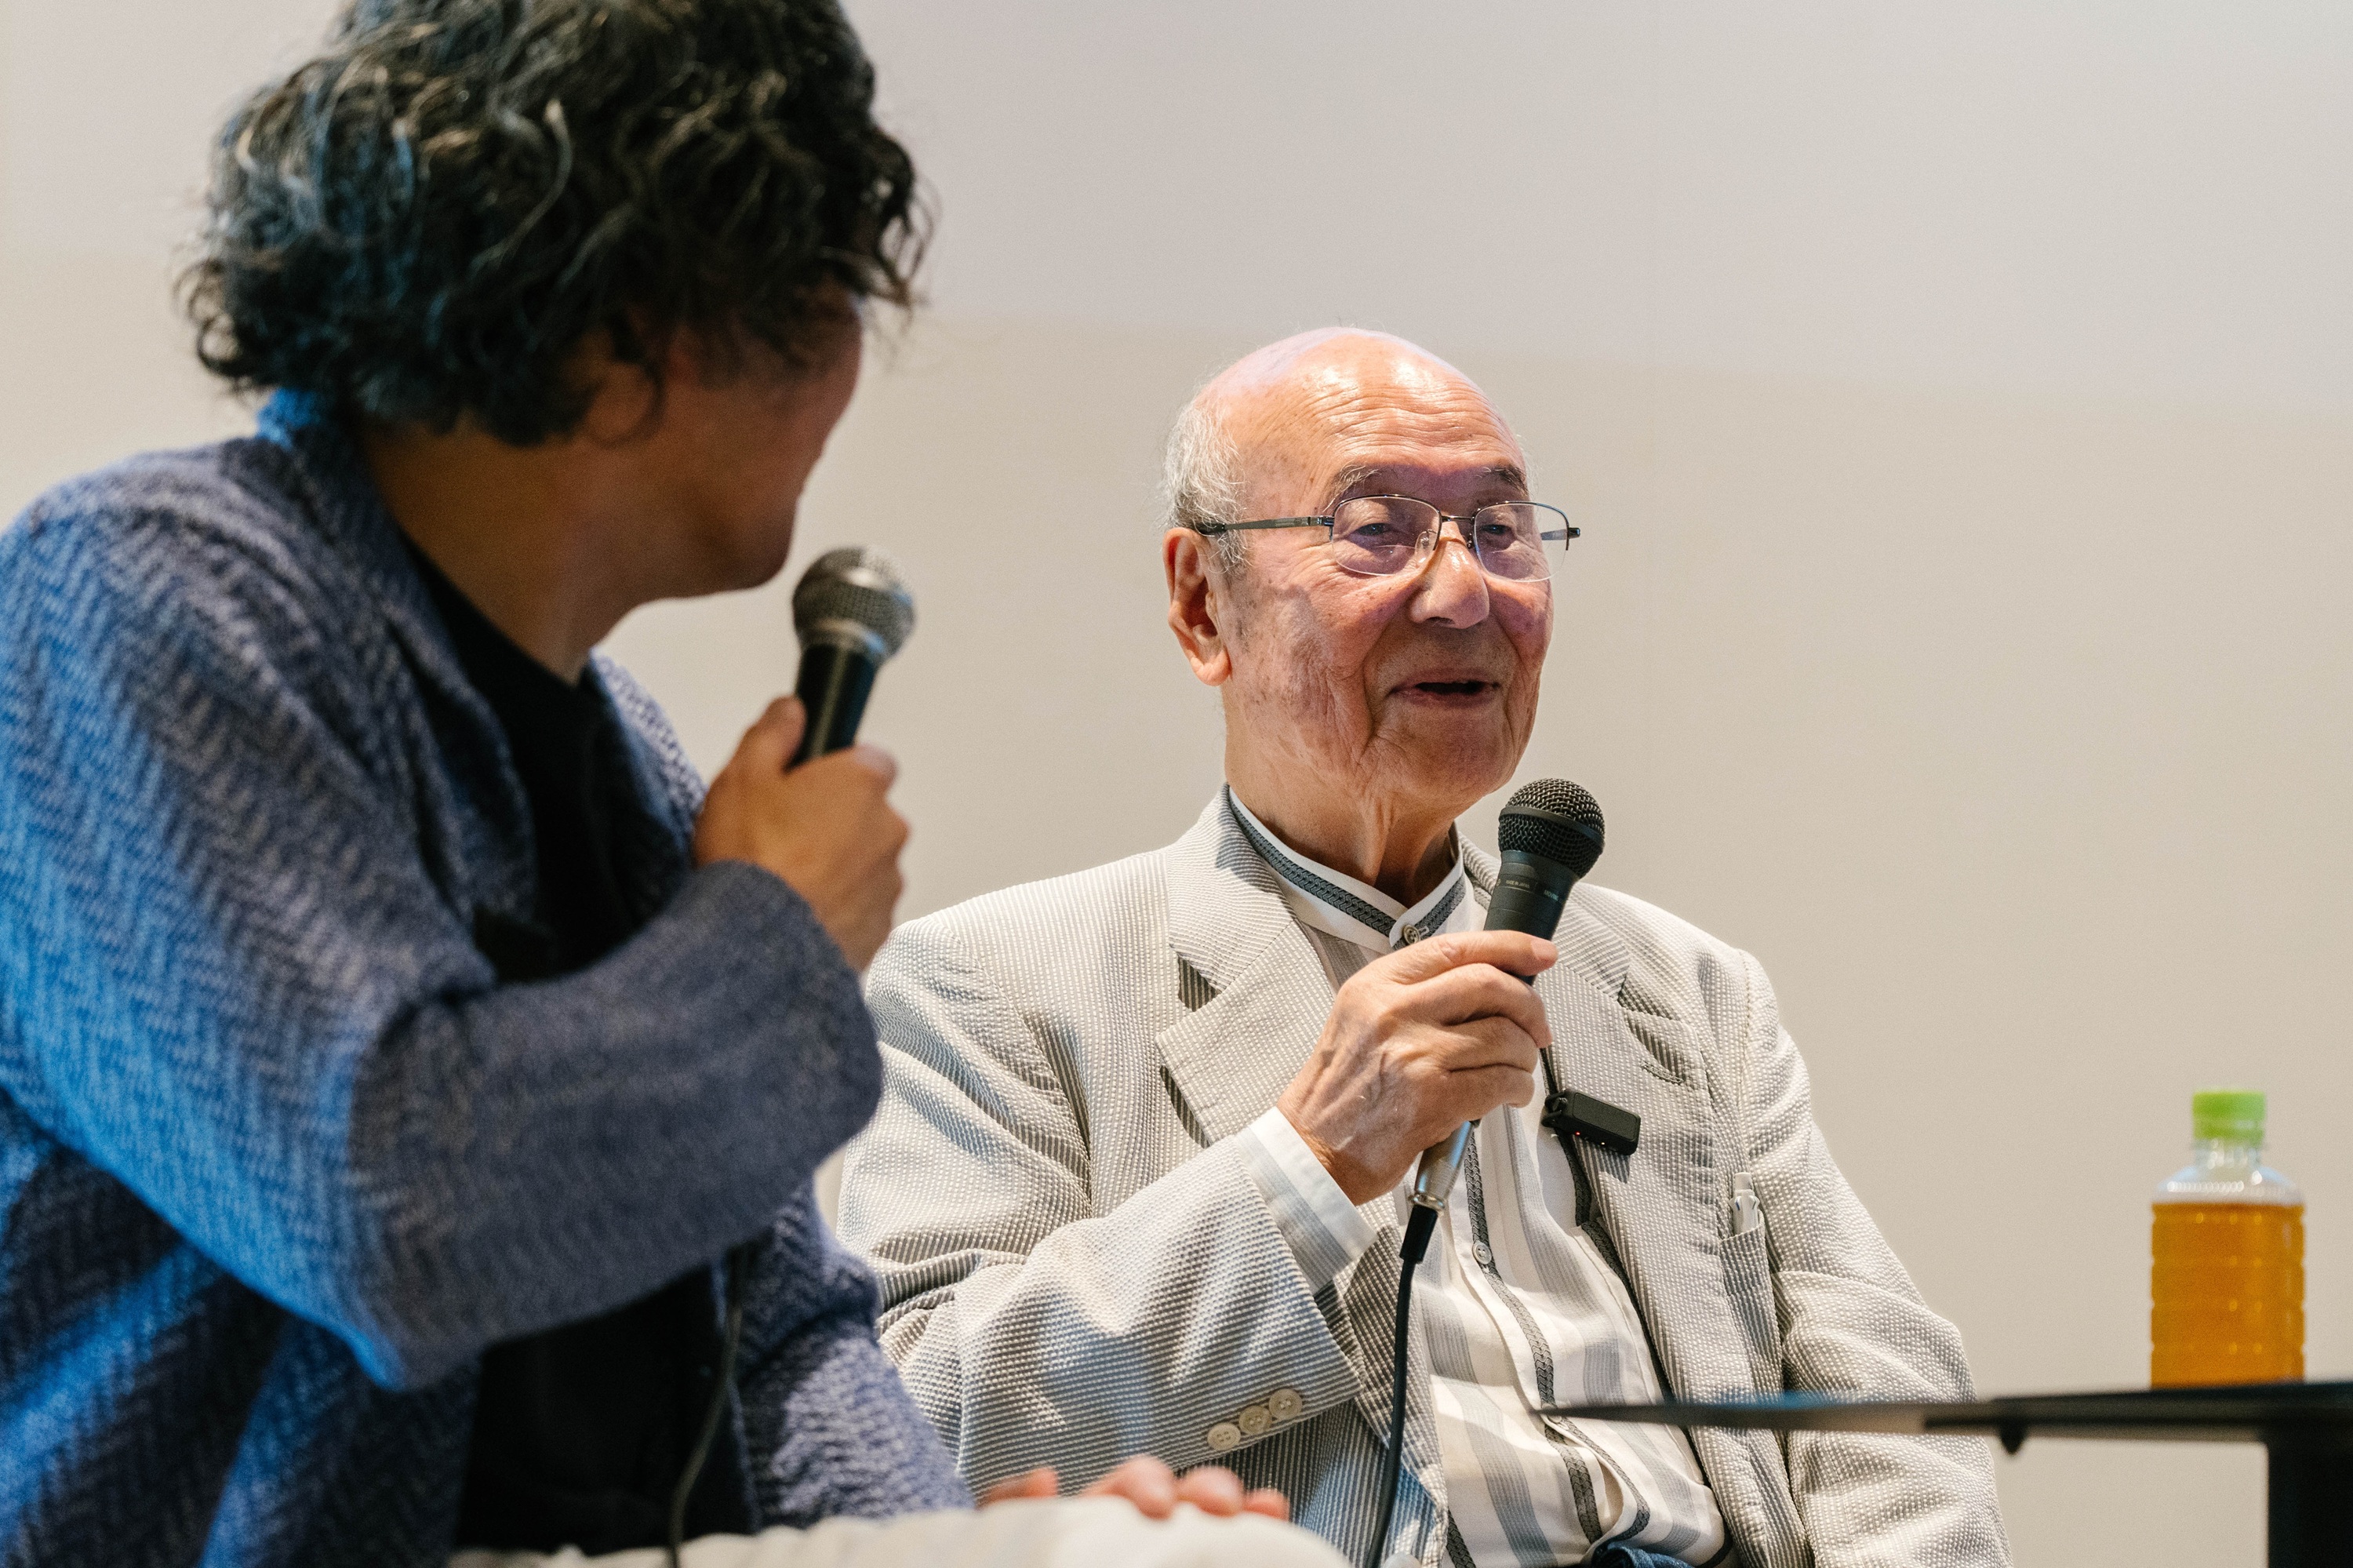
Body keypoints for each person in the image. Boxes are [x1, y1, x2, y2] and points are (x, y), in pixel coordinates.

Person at [0, 4, 1322, 1565]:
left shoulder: (622, 749)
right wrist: (771, 929)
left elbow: (777, 1335)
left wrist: (940, 1540)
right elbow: (389, 1212)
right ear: (628, 329)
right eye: (827, 294)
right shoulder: (141, 600)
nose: (851, 366)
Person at [838, 329, 2013, 1568]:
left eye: (1500, 530)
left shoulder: (1684, 992)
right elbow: (916, 1428)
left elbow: (1888, 1410)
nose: (1464, 595)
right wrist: (1304, 1168)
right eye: (1377, 530)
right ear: (1202, 605)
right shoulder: (1000, 984)